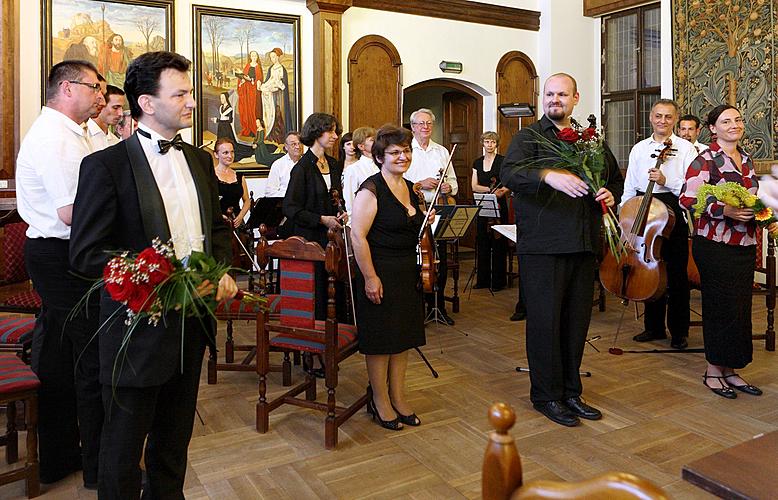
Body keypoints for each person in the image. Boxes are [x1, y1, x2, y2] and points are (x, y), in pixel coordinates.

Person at [69, 51, 237, 498]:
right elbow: (87, 254)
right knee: (122, 448)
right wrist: (154, 280)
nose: (191, 102)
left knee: (173, 443)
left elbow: (216, 231)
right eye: (180, 93)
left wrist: (218, 270)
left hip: (192, 325)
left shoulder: (200, 162)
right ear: (146, 102)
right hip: (136, 331)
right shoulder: (105, 167)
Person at [500, 73, 623, 427]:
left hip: (583, 244)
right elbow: (509, 176)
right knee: (545, 323)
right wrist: (547, 176)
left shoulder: (590, 141)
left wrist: (610, 192)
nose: (555, 99)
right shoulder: (529, 137)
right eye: (550, 94)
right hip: (544, 247)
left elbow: (613, 177)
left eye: (562, 94)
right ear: (543, 98)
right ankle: (546, 396)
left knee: (574, 323)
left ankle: (571, 391)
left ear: (575, 98)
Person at [15, 59, 104, 488]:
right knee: (90, 356)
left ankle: (60, 454)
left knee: (59, 355)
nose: (100, 97)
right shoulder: (55, 137)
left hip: (65, 254)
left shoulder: (73, 133)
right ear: (67, 89)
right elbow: (73, 212)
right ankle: (97, 464)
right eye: (93, 87)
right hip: (61, 254)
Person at [679, 104, 769, 399]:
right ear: (713, 128)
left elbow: (753, 197)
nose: (735, 124)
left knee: (739, 308)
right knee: (720, 307)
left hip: (744, 244)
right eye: (726, 121)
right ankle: (713, 372)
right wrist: (724, 209)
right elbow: (688, 199)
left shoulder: (745, 159)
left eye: (738, 119)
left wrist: (765, 213)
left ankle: (731, 369)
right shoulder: (704, 160)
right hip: (715, 244)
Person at [351, 125, 428, 430]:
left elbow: (411, 227)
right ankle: (379, 399)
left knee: (402, 338)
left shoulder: (410, 187)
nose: (402, 156)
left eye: (406, 151)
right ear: (380, 157)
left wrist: (424, 219)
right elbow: (358, 236)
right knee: (382, 341)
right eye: (395, 152)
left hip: (406, 270)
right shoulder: (371, 189)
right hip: (380, 271)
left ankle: (398, 396)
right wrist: (370, 277)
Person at [621, 99, 698, 350]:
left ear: (674, 120)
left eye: (667, 117)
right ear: (651, 118)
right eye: (658, 116)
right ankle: (653, 328)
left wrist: (666, 180)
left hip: (673, 206)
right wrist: (625, 216)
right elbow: (630, 184)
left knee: (676, 274)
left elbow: (692, 187)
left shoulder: (686, 149)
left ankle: (679, 332)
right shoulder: (640, 149)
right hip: (643, 205)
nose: (662, 121)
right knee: (649, 267)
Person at [282, 112, 346, 320]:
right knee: (318, 289)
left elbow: (337, 199)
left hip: (332, 239)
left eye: (336, 131)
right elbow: (290, 208)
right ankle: (317, 332)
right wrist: (321, 219)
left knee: (336, 285)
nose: (335, 136)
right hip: (310, 239)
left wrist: (340, 213)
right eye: (330, 131)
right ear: (316, 132)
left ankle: (336, 330)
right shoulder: (302, 168)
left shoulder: (334, 164)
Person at [404, 108, 457, 325]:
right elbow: (400, 183)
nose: (425, 127)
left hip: (439, 208)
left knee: (440, 261)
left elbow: (453, 182)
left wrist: (448, 187)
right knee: (417, 261)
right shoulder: (407, 151)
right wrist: (420, 184)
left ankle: (438, 306)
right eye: (420, 123)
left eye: (428, 123)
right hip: (415, 210)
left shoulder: (442, 151)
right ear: (413, 127)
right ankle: (418, 307)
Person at [471, 131, 510, 291]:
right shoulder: (477, 163)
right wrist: (490, 190)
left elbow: (508, 182)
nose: (489, 145)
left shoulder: (503, 161)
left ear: (496, 144)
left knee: (499, 243)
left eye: (492, 142)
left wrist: (502, 191)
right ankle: (483, 280)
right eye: (487, 142)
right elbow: (474, 186)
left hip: (499, 204)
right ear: (483, 143)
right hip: (484, 204)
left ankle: (498, 282)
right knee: (483, 242)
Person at [214, 137, 251, 227]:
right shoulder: (210, 175)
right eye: (225, 153)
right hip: (218, 224)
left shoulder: (239, 176)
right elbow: (206, 202)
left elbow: (247, 201)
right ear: (216, 154)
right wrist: (219, 216)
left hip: (237, 223)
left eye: (232, 152)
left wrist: (240, 217)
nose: (230, 156)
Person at [342, 126, 378, 212]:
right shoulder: (353, 169)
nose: (378, 143)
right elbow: (349, 201)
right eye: (372, 140)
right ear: (361, 146)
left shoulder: (383, 165)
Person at [260, 48, 290, 143]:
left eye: (273, 57)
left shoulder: (281, 69)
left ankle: (279, 137)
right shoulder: (271, 68)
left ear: (277, 57)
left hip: (278, 96)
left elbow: (282, 85)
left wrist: (277, 85)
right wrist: (263, 85)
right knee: (270, 114)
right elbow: (268, 80)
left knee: (277, 114)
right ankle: (270, 134)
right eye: (271, 57)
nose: (272, 59)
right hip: (271, 94)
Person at [213, 91, 254, 161]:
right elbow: (222, 117)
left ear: (226, 98)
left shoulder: (230, 109)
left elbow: (230, 121)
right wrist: (219, 121)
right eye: (221, 98)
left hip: (226, 128)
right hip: (221, 127)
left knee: (228, 142)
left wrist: (218, 120)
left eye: (223, 98)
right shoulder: (221, 107)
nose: (221, 100)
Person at [265, 131, 303, 198]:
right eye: (293, 144)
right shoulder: (278, 165)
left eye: (299, 143)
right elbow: (270, 193)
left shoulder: (308, 163)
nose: (298, 147)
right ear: (286, 147)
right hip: (284, 204)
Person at [87, 84, 125, 150]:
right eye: (115, 108)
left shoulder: (116, 142)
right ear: (101, 104)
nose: (121, 113)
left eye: (122, 108)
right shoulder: (84, 135)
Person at [237, 50, 263, 137]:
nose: (254, 57)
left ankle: (254, 128)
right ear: (250, 57)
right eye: (252, 56)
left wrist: (254, 81)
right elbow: (243, 76)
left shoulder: (258, 67)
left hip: (253, 90)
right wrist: (243, 79)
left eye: (255, 56)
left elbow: (259, 78)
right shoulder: (247, 66)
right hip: (247, 90)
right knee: (246, 109)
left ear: (257, 57)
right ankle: (247, 128)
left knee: (253, 109)